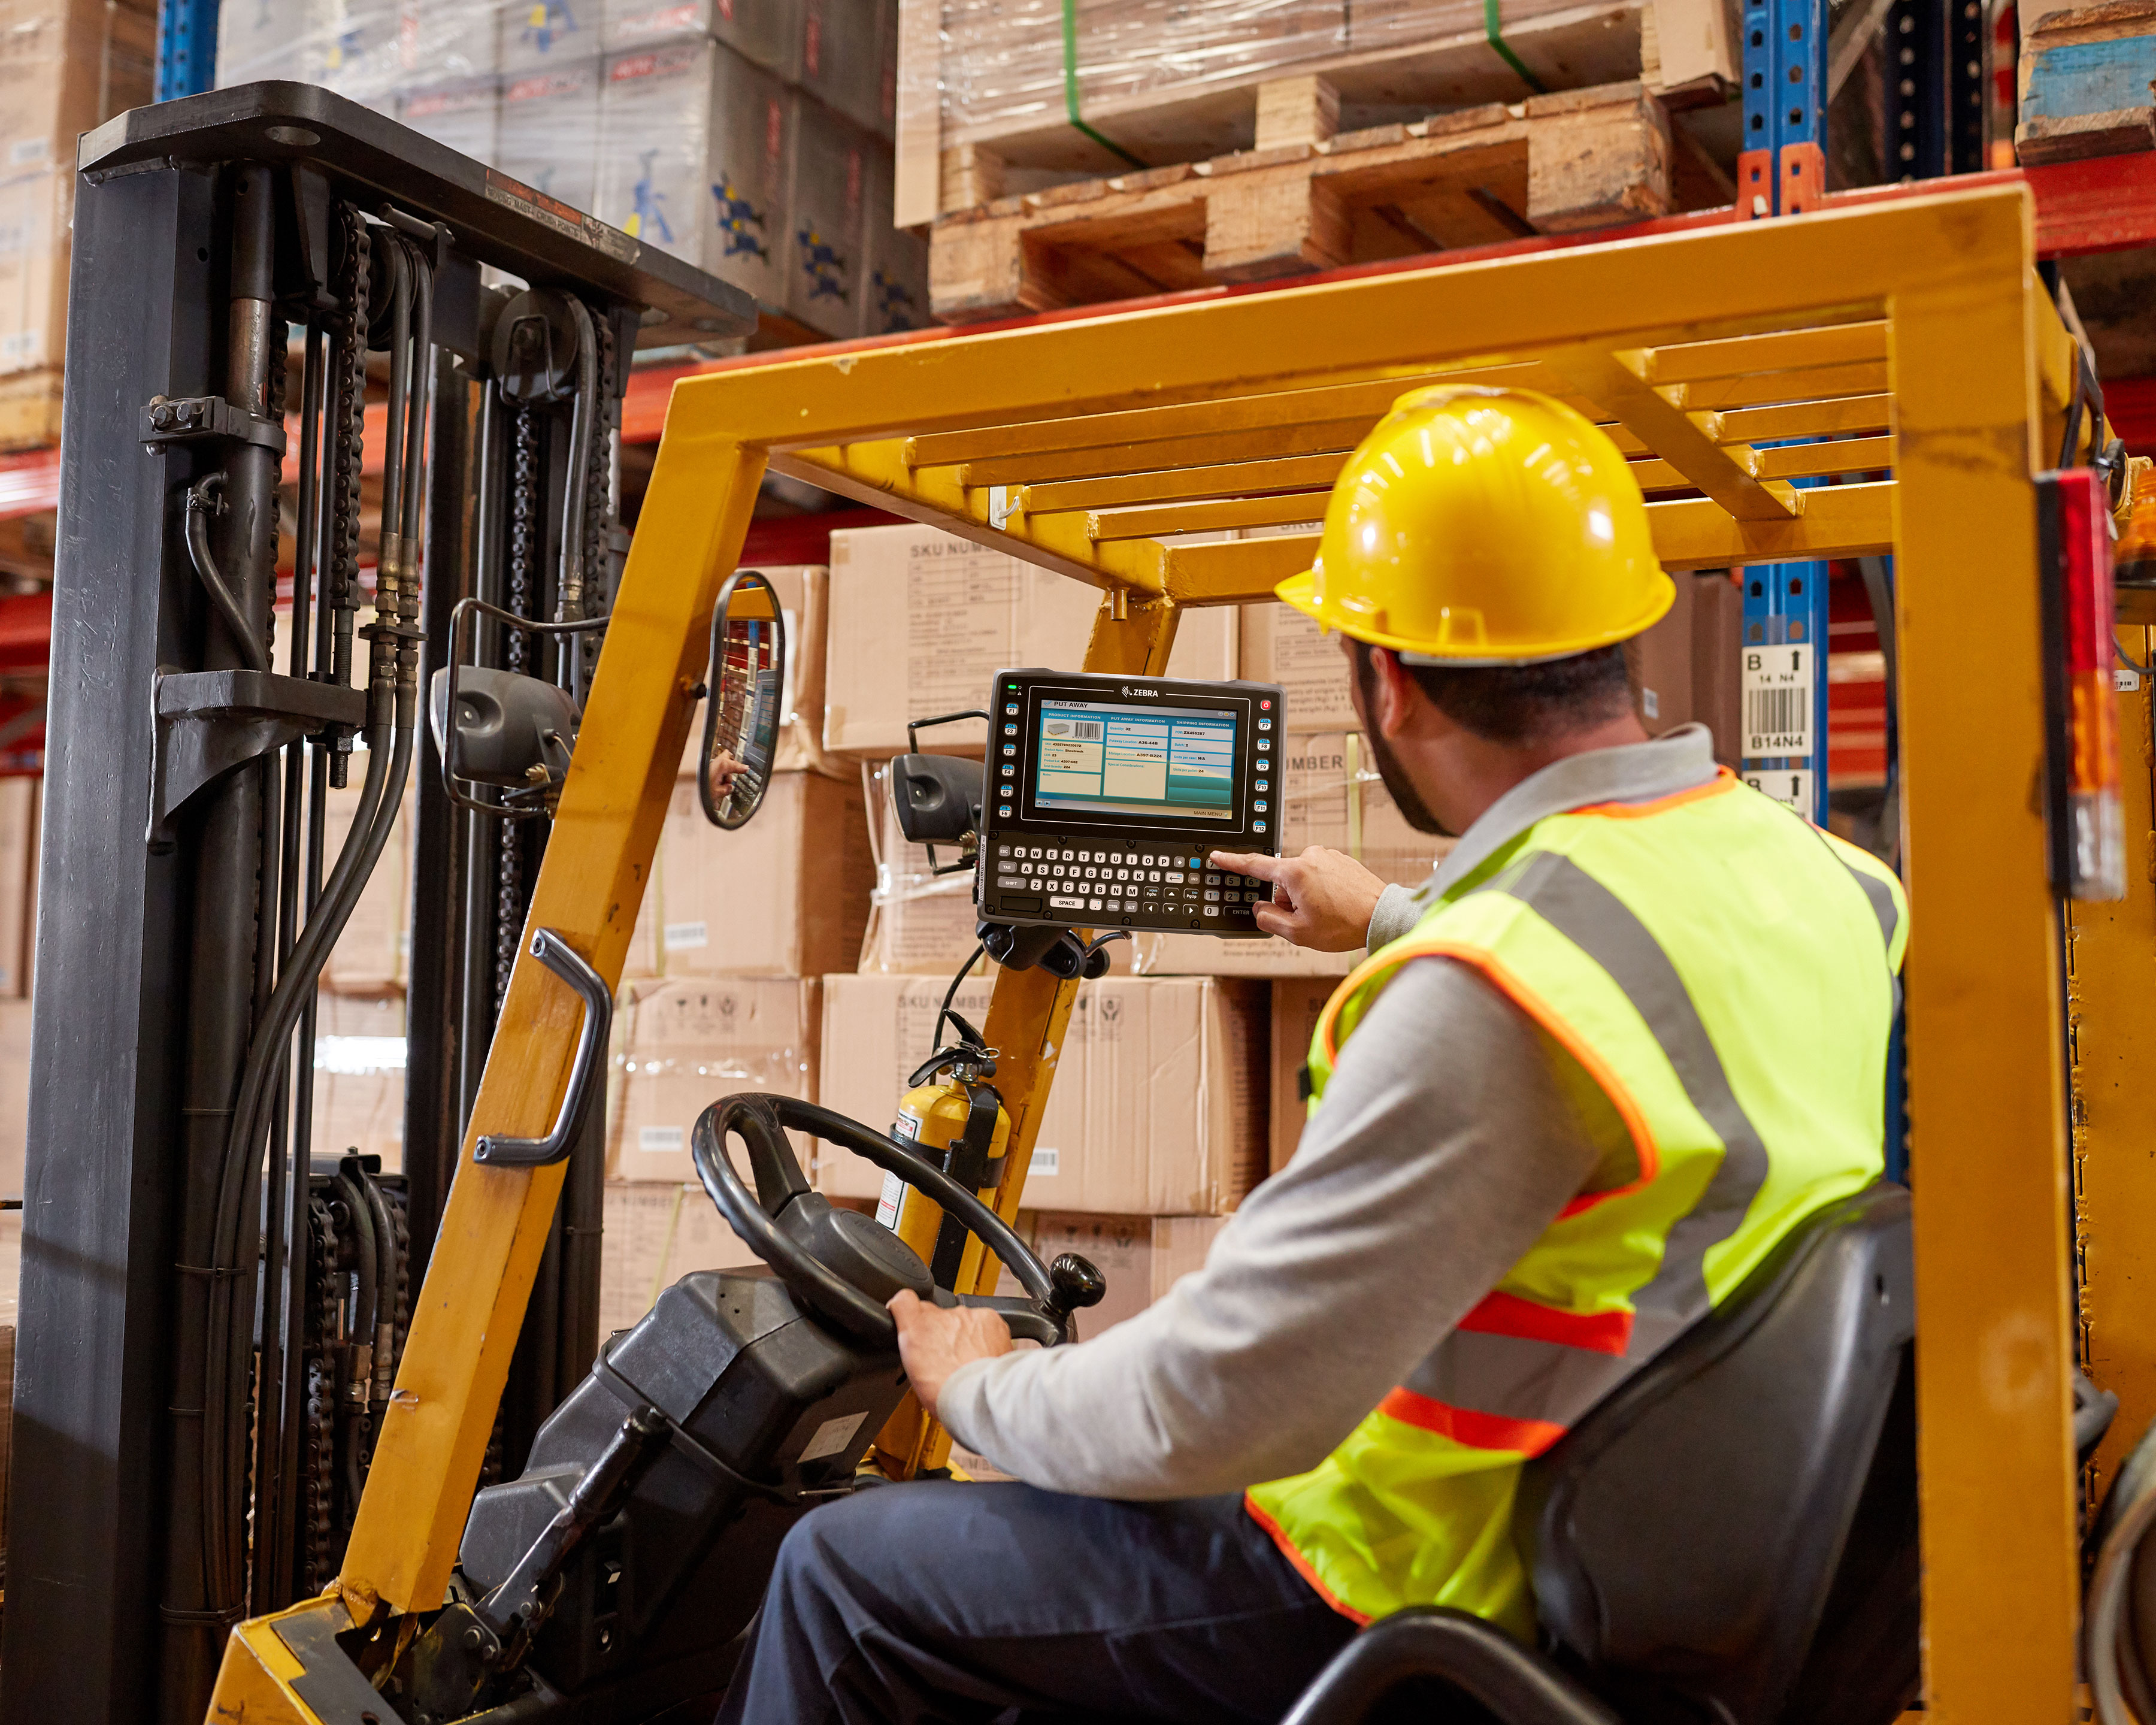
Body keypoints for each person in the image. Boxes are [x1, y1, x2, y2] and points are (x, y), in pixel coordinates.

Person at [714, 386, 1907, 1724]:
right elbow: (1657, 982)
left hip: (1409, 1582)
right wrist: (1388, 916)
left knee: (839, 1571)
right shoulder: (1833, 885)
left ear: (1384, 683)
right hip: (1639, 1524)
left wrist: (979, 1381)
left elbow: (1213, 1403)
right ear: (1625, 632)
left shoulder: (1484, 991)